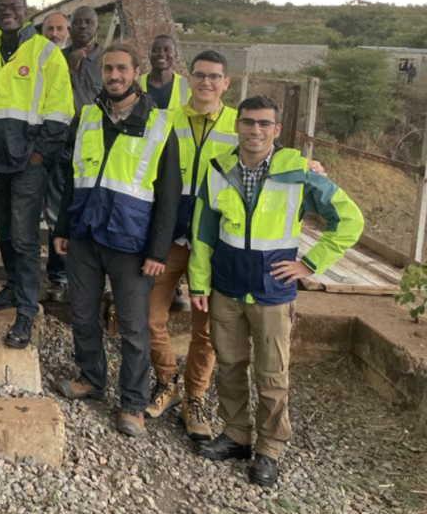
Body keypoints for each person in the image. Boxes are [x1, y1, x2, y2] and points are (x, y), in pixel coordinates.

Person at [190, 95, 363, 487]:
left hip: (272, 291)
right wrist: (198, 282)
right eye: (248, 122)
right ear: (238, 126)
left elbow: (350, 219)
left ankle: (269, 448)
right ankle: (236, 435)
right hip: (228, 288)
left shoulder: (297, 171)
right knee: (230, 366)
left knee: (271, 374)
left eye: (264, 124)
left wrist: (311, 263)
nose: (255, 130)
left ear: (276, 130)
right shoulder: (218, 169)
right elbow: (202, 232)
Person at [53, 43, 182, 438]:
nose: (114, 76)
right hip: (87, 233)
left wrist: (158, 251)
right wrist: (62, 227)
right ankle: (91, 378)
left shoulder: (160, 125)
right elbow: (73, 178)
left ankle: (132, 404)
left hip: (131, 241)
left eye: (122, 69)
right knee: (83, 313)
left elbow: (169, 195)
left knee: (132, 326)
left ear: (136, 72)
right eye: (108, 69)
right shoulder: (88, 116)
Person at [0, 0, 73, 348]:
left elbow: (60, 109)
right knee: (5, 232)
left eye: (14, 7)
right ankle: (13, 287)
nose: (7, 12)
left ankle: (26, 312)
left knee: (26, 237)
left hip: (28, 160)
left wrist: (39, 154)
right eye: (1, 8)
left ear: (26, 12)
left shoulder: (45, 51)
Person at [144, 50, 236, 441]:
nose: (206, 83)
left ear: (226, 83)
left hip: (213, 244)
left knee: (208, 330)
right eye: (199, 76)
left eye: (214, 77)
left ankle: (194, 396)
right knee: (149, 315)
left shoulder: (237, 123)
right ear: (189, 79)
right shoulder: (167, 119)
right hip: (170, 236)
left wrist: (308, 164)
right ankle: (166, 380)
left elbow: (270, 151)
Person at [43, 6, 103, 300]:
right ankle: (58, 276)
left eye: (88, 22)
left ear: (97, 26)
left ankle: (87, 276)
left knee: (91, 211)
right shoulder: (54, 56)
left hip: (93, 149)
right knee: (56, 212)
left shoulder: (107, 61)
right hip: (60, 144)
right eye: (76, 22)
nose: (82, 27)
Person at [140, 34, 190, 111]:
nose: (161, 54)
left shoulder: (185, 85)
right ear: (149, 54)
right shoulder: (137, 84)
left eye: (167, 50)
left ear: (175, 54)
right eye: (156, 50)